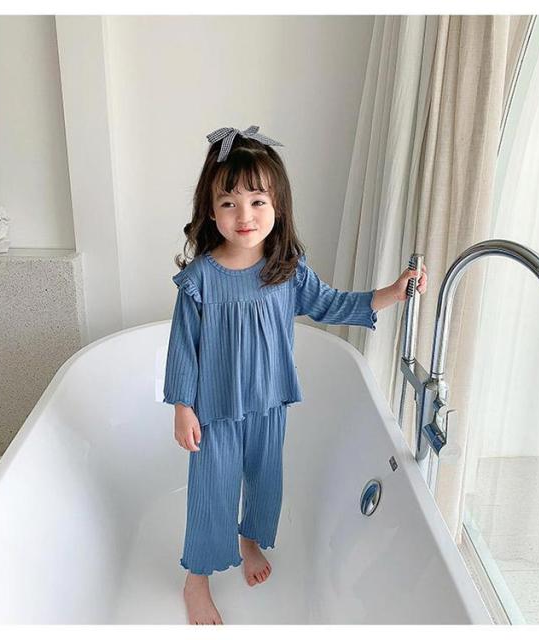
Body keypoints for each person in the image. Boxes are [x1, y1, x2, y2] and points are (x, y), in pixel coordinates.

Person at [163, 125, 428, 624]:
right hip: (215, 411)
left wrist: (392, 293)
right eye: (229, 203)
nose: (245, 216)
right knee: (211, 492)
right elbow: (183, 350)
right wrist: (182, 407)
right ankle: (196, 578)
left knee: (266, 482)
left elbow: (331, 304)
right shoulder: (199, 280)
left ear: (278, 207)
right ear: (210, 211)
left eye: (258, 201)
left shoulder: (286, 269)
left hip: (270, 401)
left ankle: (250, 539)